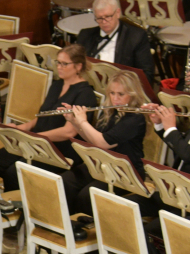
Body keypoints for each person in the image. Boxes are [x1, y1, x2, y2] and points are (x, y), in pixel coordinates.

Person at [0, 44, 99, 192]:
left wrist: (36, 138)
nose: (59, 67)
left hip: (59, 150)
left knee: (14, 173)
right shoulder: (57, 85)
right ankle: (4, 200)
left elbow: (68, 132)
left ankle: (21, 206)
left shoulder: (85, 94)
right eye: (58, 62)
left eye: (64, 64)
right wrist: (23, 128)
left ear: (78, 66)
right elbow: (43, 116)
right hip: (38, 141)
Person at [61, 70, 146, 215]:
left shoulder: (135, 118)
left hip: (125, 173)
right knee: (65, 181)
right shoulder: (111, 112)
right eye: (112, 93)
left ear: (133, 94)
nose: (115, 99)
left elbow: (103, 143)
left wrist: (83, 120)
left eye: (121, 94)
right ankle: (66, 224)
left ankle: (85, 229)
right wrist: (75, 122)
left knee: (87, 195)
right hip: (103, 165)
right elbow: (92, 140)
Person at [75, 0, 154, 81]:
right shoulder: (85, 35)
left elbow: (147, 76)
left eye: (108, 17)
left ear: (117, 13)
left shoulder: (136, 37)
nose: (104, 22)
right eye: (99, 18)